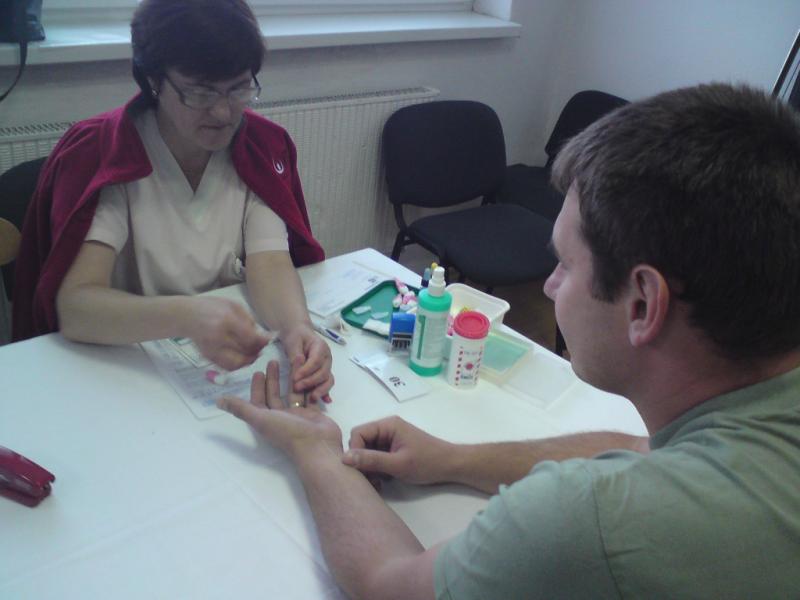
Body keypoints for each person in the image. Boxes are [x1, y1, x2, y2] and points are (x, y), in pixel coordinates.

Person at [218, 82, 800, 599]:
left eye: (565, 265)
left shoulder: (590, 523)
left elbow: (389, 585)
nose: (548, 287)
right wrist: (454, 459)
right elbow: (643, 450)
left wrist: (316, 449)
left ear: (643, 304)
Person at [13, 0, 333, 402]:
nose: (223, 112)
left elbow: (269, 262)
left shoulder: (257, 147)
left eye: (239, 88)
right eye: (200, 91)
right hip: (122, 367)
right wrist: (188, 315)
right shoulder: (109, 152)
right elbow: (76, 307)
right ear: (153, 80)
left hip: (219, 368)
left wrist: (297, 329)